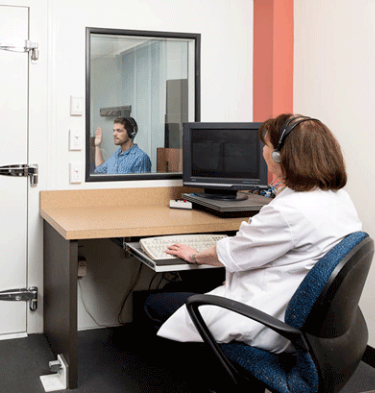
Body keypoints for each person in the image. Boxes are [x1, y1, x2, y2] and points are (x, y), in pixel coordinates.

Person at [144, 114, 363, 354]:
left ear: (281, 156)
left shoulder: (289, 211)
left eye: (267, 146)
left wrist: (195, 255)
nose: (263, 152)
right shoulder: (339, 199)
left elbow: (233, 253)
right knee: (199, 282)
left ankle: (214, 371)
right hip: (303, 318)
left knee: (153, 304)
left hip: (266, 320)